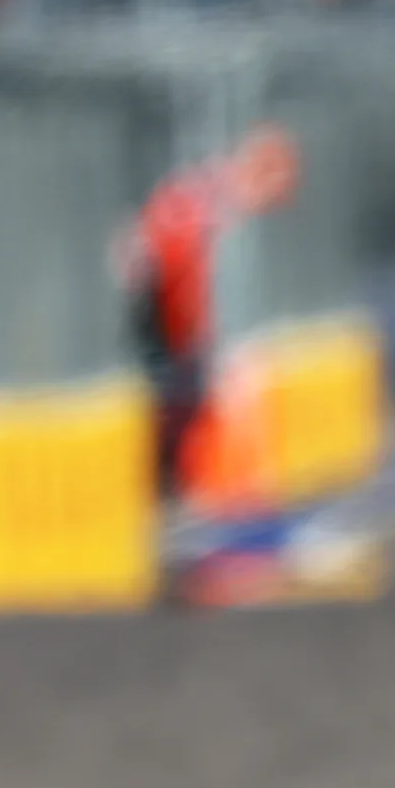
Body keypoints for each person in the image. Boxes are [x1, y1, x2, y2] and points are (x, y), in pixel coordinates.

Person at [121, 122, 299, 504]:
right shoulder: (216, 198)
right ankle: (187, 485)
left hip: (172, 307)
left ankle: (187, 483)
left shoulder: (214, 192)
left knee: (184, 393)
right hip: (165, 307)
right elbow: (183, 264)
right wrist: (204, 335)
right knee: (181, 396)